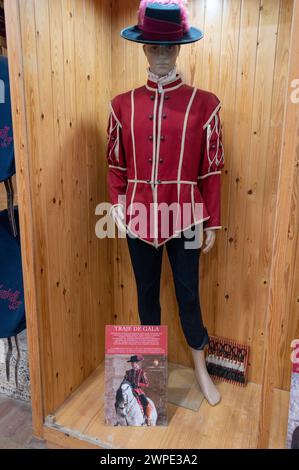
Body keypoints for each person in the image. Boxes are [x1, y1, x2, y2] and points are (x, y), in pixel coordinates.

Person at [106, 0, 224, 406]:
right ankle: (148, 379)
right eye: (154, 47)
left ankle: (201, 371)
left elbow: (211, 170)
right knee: (145, 294)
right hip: (138, 215)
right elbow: (115, 164)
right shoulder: (122, 104)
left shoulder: (204, 104)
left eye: (168, 47)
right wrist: (118, 204)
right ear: (143, 48)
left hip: (187, 216)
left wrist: (212, 222)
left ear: (179, 49)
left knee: (189, 293)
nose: (160, 54)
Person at [123, 354, 151, 421]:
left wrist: (138, 383)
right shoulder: (128, 372)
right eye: (131, 363)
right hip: (129, 390)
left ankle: (148, 418)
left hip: (138, 391)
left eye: (134, 363)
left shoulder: (141, 372)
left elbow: (147, 384)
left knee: (146, 403)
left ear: (136, 363)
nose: (132, 364)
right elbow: (124, 381)